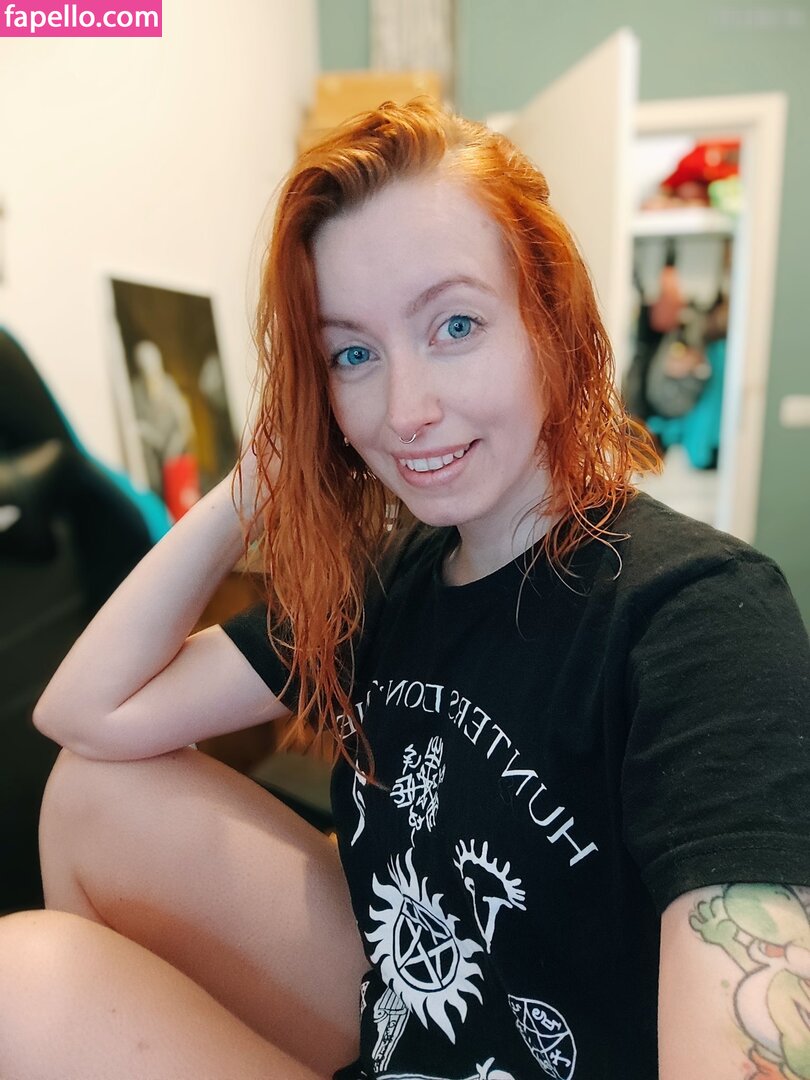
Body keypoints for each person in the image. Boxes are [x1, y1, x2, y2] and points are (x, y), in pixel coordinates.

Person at [0, 99, 807, 1080]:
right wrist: (257, 481)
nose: (404, 410)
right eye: (353, 354)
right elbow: (85, 715)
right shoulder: (397, 579)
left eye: (455, 325)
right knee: (90, 801)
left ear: (550, 321)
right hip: (402, 1018)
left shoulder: (700, 615)